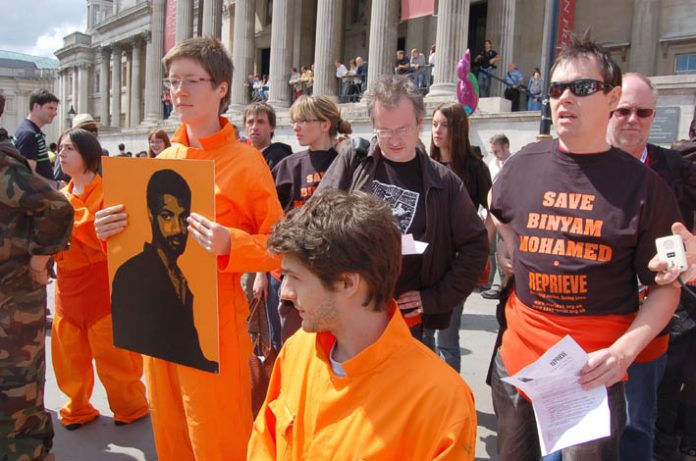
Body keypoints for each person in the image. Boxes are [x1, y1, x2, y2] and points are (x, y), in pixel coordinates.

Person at [489, 37, 682, 460]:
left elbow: (667, 287)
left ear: (612, 98)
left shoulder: (646, 188)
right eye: (555, 89)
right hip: (521, 359)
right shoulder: (523, 164)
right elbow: (496, 206)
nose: (564, 99)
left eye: (581, 88)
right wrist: (509, 250)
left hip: (592, 369)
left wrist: (624, 352)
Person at [94, 37, 283, 461]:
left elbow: (281, 246)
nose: (177, 91)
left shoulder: (246, 162)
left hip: (215, 333)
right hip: (159, 332)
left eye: (190, 81)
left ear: (221, 88)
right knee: (171, 438)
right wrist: (108, 231)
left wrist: (229, 242)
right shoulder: (165, 158)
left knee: (219, 442)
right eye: (173, 81)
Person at [247, 190, 477, 460]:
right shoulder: (296, 352)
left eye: (295, 278)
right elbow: (264, 443)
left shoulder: (441, 400)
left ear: (348, 283)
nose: (285, 292)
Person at [316, 74, 489, 342]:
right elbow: (316, 218)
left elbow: (476, 246)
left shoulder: (445, 183)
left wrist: (436, 298)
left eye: (403, 129)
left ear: (420, 123)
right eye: (384, 130)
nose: (394, 139)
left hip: (405, 323)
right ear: (373, 125)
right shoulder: (355, 161)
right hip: (347, 313)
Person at [607, 72, 696, 461]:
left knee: (637, 423)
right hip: (588, 320)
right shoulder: (579, 162)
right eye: (623, 110)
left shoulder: (675, 168)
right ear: (608, 109)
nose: (632, 119)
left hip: (652, 324)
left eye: (643, 112)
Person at [51, 128, 149, 431]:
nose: (62, 154)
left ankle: (129, 406)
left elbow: (119, 239)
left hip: (102, 288)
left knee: (115, 357)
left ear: (88, 156)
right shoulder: (59, 198)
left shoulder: (111, 193)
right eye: (60, 148)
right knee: (69, 355)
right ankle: (76, 407)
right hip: (66, 289)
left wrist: (73, 218)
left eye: (70, 149)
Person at [0, 93, 73, 461]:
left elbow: (57, 206)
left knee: (18, 387)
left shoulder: (5, 164)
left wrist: (38, 261)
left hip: (12, 300)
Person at [264, 95, 353, 344]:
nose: (296, 127)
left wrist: (348, 152)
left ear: (325, 125)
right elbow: (268, 221)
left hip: (333, 272)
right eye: (294, 121)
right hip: (290, 273)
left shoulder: (348, 162)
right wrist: (262, 273)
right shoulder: (289, 165)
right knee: (290, 343)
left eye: (303, 120)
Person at [111, 169, 219, 373]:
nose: (178, 228)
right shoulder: (132, 275)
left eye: (183, 217)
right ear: (151, 216)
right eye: (167, 216)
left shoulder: (181, 276)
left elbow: (187, 348)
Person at [422, 102, 493, 372]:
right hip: (425, 259)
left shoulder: (474, 167)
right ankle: (427, 396)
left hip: (457, 262)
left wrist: (482, 239)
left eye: (445, 125)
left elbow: (494, 207)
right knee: (423, 335)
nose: (437, 131)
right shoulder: (425, 163)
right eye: (435, 124)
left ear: (459, 129)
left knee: (448, 339)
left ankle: (452, 402)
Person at [482, 134, 513, 300]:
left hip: (507, 213)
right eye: (492, 151)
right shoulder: (492, 164)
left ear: (506, 147)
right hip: (491, 211)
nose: (495, 155)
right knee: (491, 249)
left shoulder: (516, 162)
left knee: (505, 249)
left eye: (497, 151)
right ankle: (490, 282)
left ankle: (502, 285)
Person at [13, 88, 59, 181]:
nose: (55, 113)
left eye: (55, 109)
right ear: (36, 106)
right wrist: (56, 186)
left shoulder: (29, 131)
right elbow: (27, 176)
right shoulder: (29, 134)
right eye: (50, 108)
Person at [243, 102, 292, 170]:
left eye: (260, 122)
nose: (254, 127)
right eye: (250, 122)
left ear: (272, 127)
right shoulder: (240, 158)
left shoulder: (279, 159)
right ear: (244, 127)